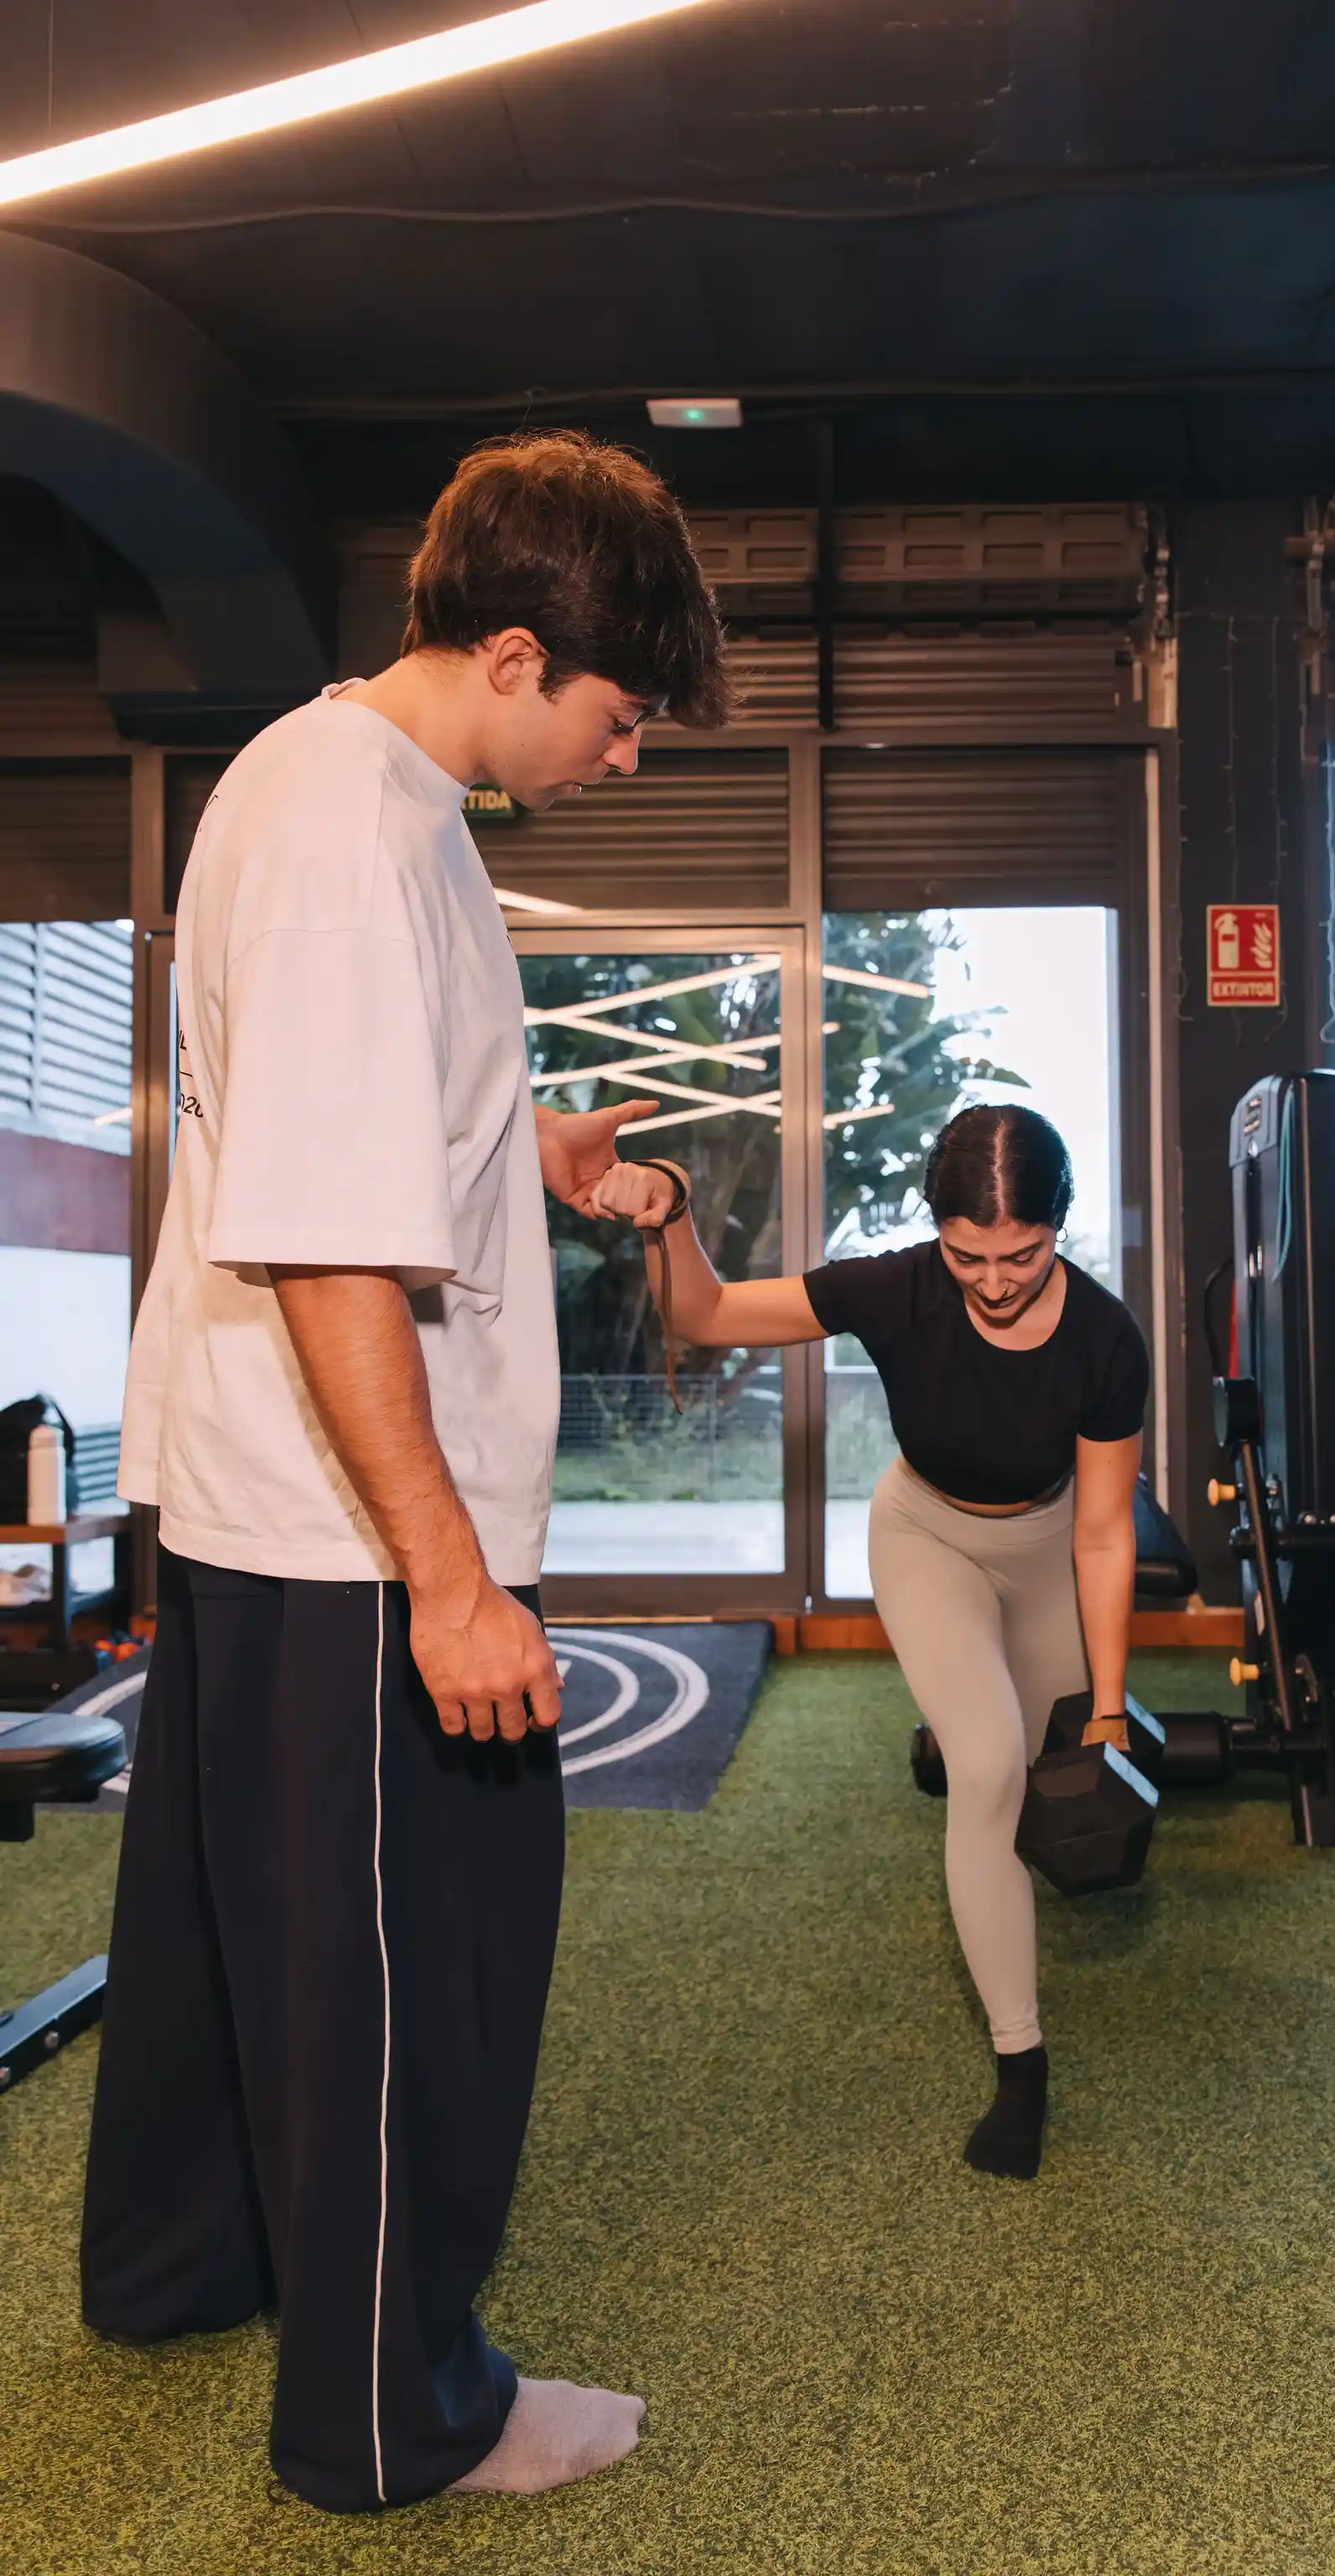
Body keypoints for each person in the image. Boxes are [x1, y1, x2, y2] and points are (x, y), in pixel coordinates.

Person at [81, 431, 730, 2512]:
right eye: (618, 714)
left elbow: (348, 1122)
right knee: (404, 1963)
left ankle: (181, 2263)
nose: (626, 753)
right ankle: (394, 2411)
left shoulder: (349, 796)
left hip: (260, 1495)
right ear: (515, 652)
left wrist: (525, 1148)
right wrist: (450, 1578)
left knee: (232, 1922)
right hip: (351, 1526)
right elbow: (329, 1246)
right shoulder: (357, 834)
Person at [590, 1102, 1146, 2181]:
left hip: (1047, 1549)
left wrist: (1112, 1706)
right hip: (924, 1534)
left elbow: (1102, 1532)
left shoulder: (1104, 1339)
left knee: (1046, 1768)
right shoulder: (894, 1290)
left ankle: (981, 1729)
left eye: (1022, 1255)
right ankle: (1020, 2060)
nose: (994, 1282)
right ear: (936, 1230)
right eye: (968, 1255)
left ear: (1058, 1226)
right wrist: (670, 1208)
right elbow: (704, 1314)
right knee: (988, 1769)